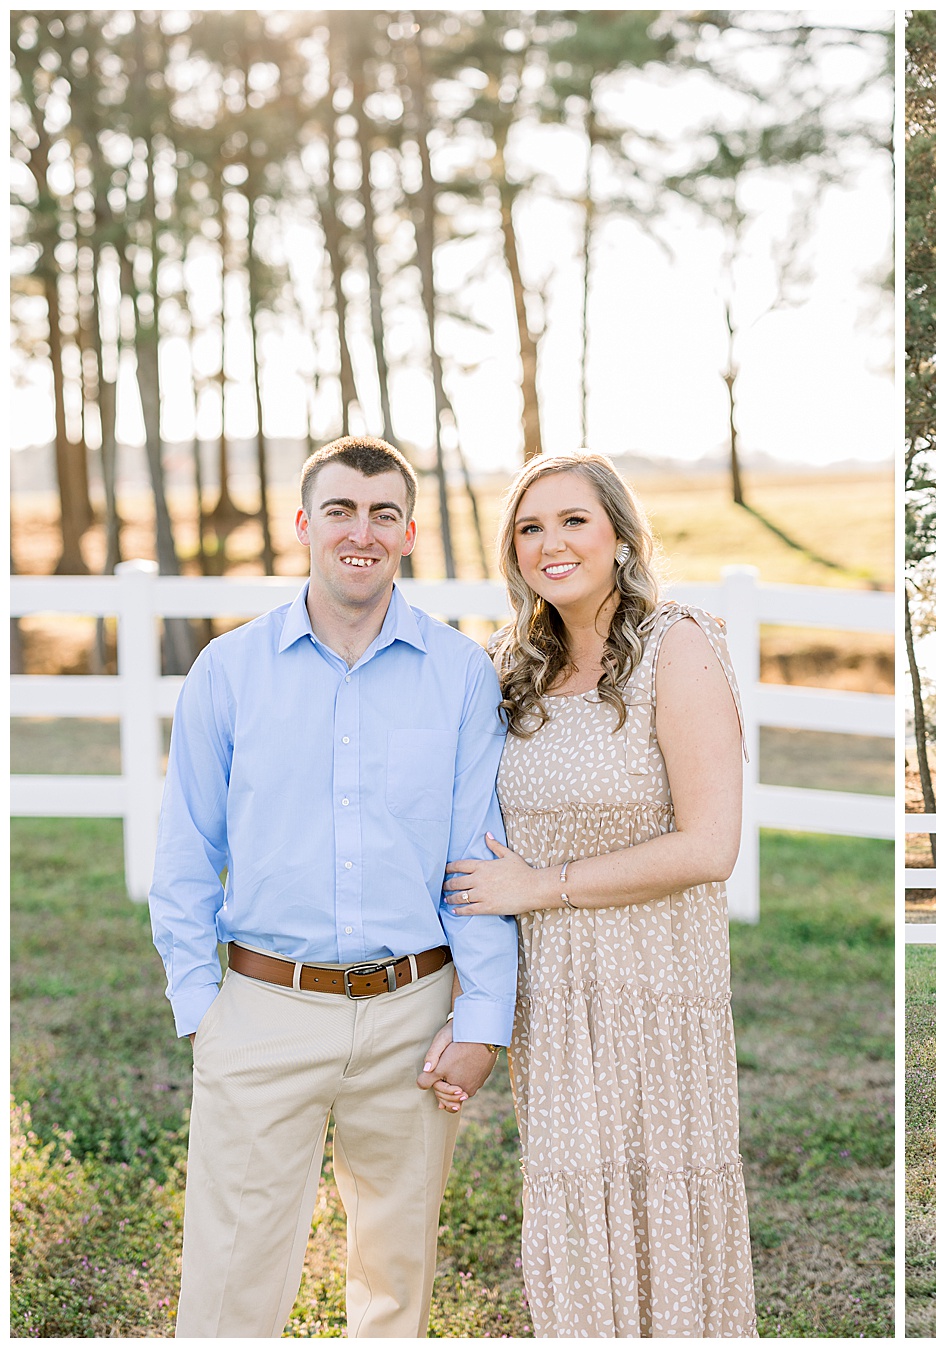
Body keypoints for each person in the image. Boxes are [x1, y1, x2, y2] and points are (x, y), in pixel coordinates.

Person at [147, 435, 517, 1337]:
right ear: (304, 525)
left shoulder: (461, 674)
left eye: (383, 513)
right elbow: (186, 854)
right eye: (342, 510)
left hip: (414, 1013)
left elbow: (477, 859)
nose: (363, 530)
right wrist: (203, 1006)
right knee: (231, 1272)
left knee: (397, 1274)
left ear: (410, 533)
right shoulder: (229, 672)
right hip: (262, 1007)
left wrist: (482, 1021)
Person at [427, 449, 757, 1336]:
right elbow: (476, 848)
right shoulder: (510, 667)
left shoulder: (675, 646)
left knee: (660, 1196)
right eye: (530, 528)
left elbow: (710, 844)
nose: (552, 543)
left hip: (657, 980)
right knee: (572, 1197)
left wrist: (546, 885)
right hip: (554, 993)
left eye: (574, 520)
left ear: (619, 535)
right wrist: (472, 999)